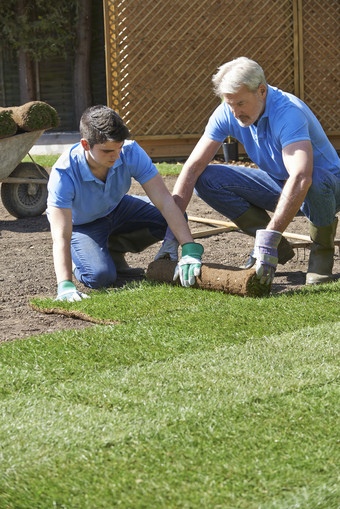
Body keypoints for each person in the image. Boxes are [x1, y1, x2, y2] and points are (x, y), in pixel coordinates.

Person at [156, 57, 340, 286]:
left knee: (314, 179)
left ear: (261, 91)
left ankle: (320, 254)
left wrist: (268, 240)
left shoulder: (288, 113)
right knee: (207, 178)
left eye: (240, 103)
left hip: (327, 189)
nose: (234, 111)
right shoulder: (227, 110)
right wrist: (173, 237)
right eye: (229, 103)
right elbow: (192, 169)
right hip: (279, 182)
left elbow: (302, 177)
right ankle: (277, 246)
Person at [47, 105, 203, 302]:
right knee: (101, 277)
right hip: (82, 225)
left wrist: (188, 246)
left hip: (118, 208)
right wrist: (65, 285)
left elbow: (165, 201)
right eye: (107, 151)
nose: (117, 155)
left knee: (177, 215)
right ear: (85, 145)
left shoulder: (130, 152)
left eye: (119, 147)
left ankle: (112, 248)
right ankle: (78, 262)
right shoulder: (64, 173)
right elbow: (61, 236)